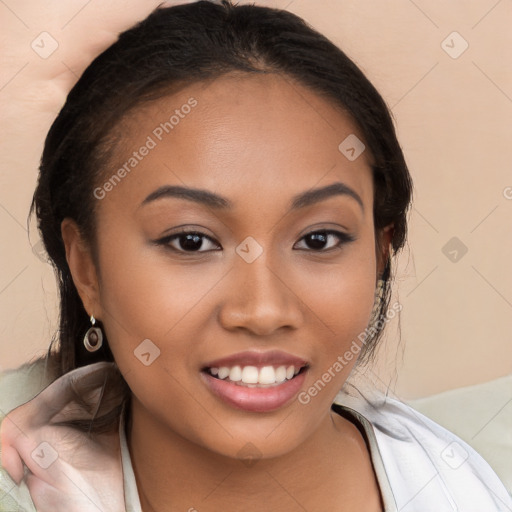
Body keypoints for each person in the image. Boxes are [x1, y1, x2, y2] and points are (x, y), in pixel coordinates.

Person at [0, 1, 510, 510]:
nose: (264, 311)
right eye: (191, 241)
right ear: (86, 267)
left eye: (318, 240)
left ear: (380, 253)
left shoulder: (479, 478)